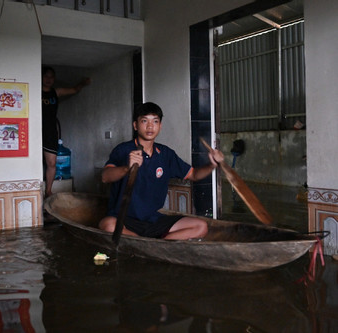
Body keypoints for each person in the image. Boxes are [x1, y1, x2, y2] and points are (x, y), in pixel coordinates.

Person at [98, 102, 224, 240]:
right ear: (135, 125)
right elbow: (105, 177)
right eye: (144, 121)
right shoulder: (123, 150)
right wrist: (127, 168)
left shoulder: (165, 154)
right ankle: (149, 244)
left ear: (160, 126)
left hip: (154, 219)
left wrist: (212, 165)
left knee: (201, 226)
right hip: (124, 219)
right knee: (108, 225)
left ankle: (158, 243)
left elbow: (194, 174)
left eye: (155, 121)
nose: (150, 126)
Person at [42, 66, 90, 198]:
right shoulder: (35, 91)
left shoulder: (55, 92)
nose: (48, 79)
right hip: (35, 130)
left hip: (51, 132)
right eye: (46, 76)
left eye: (51, 77)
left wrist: (83, 83)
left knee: (51, 163)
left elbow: (74, 89)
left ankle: (48, 191)